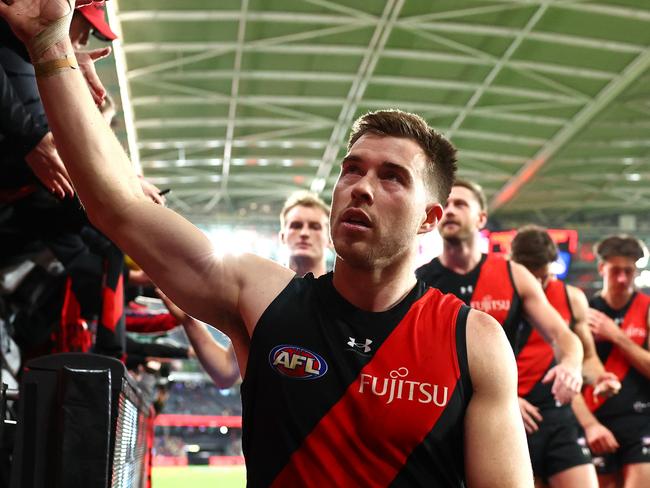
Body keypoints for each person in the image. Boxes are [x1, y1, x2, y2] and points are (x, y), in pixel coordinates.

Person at [0, 2, 535, 485]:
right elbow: (120, 207)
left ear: (429, 220)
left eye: (392, 177)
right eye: (353, 170)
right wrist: (49, 45)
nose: (363, 187)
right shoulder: (263, 296)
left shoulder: (474, 341)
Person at [416, 180, 583, 407]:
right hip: (440, 405)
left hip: (499, 405)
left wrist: (570, 366)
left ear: (481, 219)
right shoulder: (420, 280)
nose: (451, 210)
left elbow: (562, 336)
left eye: (461, 204)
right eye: (446, 204)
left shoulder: (514, 274)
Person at [162, 191, 331, 388]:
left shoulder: (344, 298)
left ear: (330, 238)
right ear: (282, 236)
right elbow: (225, 373)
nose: (304, 233)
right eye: (295, 225)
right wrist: (188, 321)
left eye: (315, 227)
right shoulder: (261, 294)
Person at [510, 225, 620, 488]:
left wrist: (600, 378)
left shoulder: (571, 298)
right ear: (513, 267)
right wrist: (506, 399)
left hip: (559, 414)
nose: (538, 285)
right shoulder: (495, 299)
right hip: (515, 417)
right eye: (531, 278)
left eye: (544, 277)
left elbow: (588, 359)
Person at [577, 235, 650, 488]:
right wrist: (589, 424)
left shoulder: (647, 308)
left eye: (628, 271)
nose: (622, 279)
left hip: (641, 419)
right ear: (601, 268)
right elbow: (569, 371)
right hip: (596, 418)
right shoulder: (584, 310)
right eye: (615, 271)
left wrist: (616, 336)